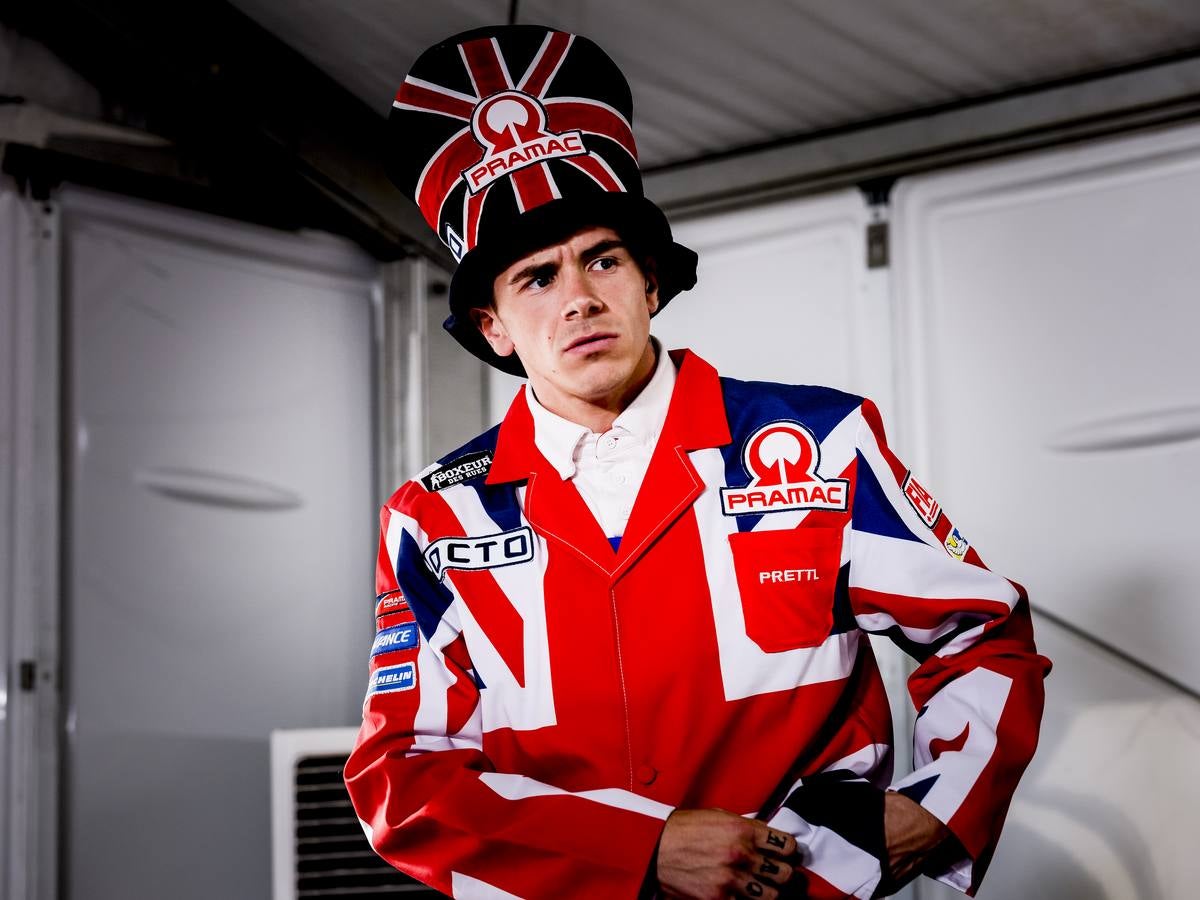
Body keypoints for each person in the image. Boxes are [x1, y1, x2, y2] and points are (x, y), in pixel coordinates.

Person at [345, 24, 1051, 900]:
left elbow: (983, 634)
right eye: (536, 278)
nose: (580, 300)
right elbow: (403, 778)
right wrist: (642, 850)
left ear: (649, 281)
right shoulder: (435, 517)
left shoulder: (819, 442)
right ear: (493, 328)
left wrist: (937, 808)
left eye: (602, 259)